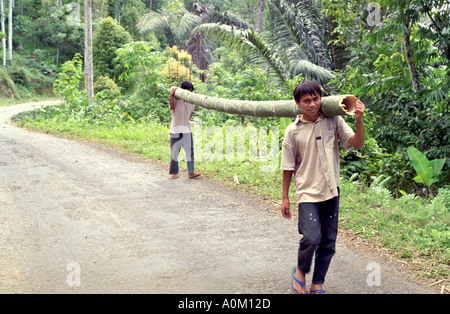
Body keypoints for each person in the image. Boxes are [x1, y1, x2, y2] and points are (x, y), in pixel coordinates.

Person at [280, 80, 365, 294]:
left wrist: (359, 120)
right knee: (311, 237)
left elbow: (356, 143)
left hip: (331, 190)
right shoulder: (292, 131)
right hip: (307, 191)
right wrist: (285, 197)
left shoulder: (333, 120)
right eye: (306, 101)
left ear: (321, 98)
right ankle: (300, 271)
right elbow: (287, 167)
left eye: (316, 99)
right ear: (297, 103)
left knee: (328, 240)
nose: (312, 104)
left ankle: (317, 282)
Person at [169, 81, 201, 179]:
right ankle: (174, 173)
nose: (189, 93)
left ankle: (191, 172)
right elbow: (172, 107)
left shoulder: (191, 101)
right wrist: (171, 95)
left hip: (187, 129)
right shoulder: (176, 99)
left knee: (189, 151)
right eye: (188, 91)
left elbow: (189, 113)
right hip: (176, 129)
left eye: (191, 91)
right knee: (175, 151)